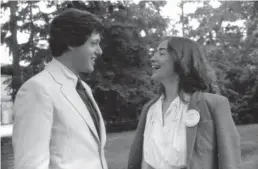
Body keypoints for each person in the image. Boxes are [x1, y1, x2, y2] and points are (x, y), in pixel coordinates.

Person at [12, 8, 108, 169]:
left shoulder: (83, 88)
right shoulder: (37, 89)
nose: (100, 51)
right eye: (94, 43)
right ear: (71, 43)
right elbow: (30, 165)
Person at [127, 36, 242, 169]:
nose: (153, 58)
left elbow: (230, 161)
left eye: (161, 52)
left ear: (181, 59)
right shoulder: (150, 109)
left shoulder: (213, 104)